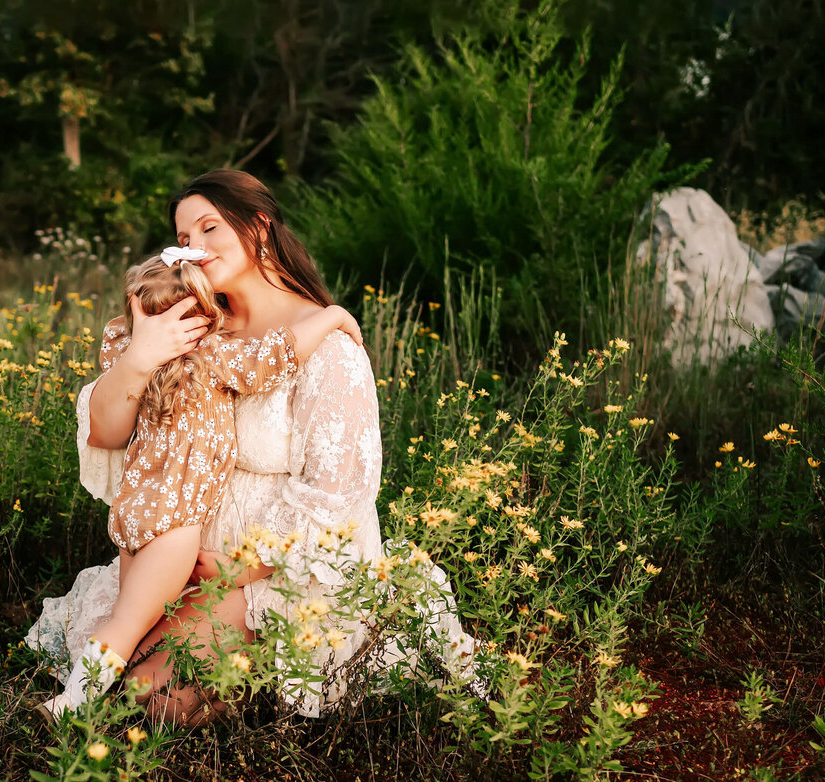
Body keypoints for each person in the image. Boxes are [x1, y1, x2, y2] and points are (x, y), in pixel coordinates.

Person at [25, 169, 484, 724]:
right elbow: (106, 432)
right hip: (174, 548)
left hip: (283, 574)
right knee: (119, 666)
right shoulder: (189, 329)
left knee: (150, 702)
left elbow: (340, 494)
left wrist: (245, 566)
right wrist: (142, 355)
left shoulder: (321, 343)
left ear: (259, 227)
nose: (195, 247)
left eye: (210, 227)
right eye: (184, 238)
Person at [36, 248, 363, 722]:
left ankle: (93, 690)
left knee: (136, 621)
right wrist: (332, 313)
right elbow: (276, 356)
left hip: (135, 509)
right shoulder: (211, 355)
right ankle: (75, 704)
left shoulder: (131, 352)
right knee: (130, 623)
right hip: (177, 519)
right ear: (204, 316)